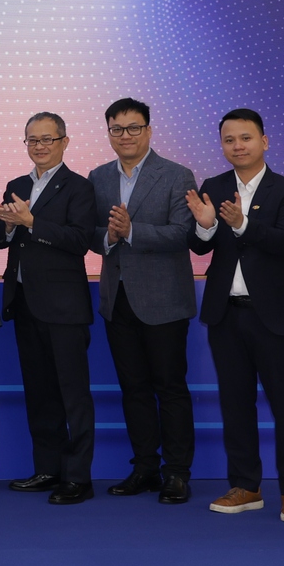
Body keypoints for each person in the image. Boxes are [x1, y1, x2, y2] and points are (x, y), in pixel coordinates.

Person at [187, 108, 284, 523]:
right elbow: (200, 246)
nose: (237, 146)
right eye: (229, 140)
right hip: (226, 314)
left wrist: (242, 224)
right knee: (235, 403)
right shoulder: (214, 186)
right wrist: (205, 227)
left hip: (273, 316)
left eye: (246, 138)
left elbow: (283, 241)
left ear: (264, 141)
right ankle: (245, 485)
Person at [89, 98, 199, 504]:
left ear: (149, 131)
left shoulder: (176, 174)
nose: (125, 136)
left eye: (133, 127)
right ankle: (145, 467)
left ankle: (177, 473)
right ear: (109, 133)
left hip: (164, 299)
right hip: (117, 299)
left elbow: (182, 233)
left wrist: (132, 231)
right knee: (132, 388)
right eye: (117, 129)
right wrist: (108, 236)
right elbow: (90, 233)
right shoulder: (98, 177)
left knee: (170, 388)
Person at [0, 112, 101, 505]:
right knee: (39, 393)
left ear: (64, 142)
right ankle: (47, 468)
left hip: (64, 308)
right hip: (25, 303)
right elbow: (1, 240)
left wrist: (31, 221)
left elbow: (79, 240)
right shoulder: (17, 185)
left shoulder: (80, 187)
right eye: (32, 140)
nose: (39, 146)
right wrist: (8, 225)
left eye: (47, 139)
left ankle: (78, 478)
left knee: (73, 395)